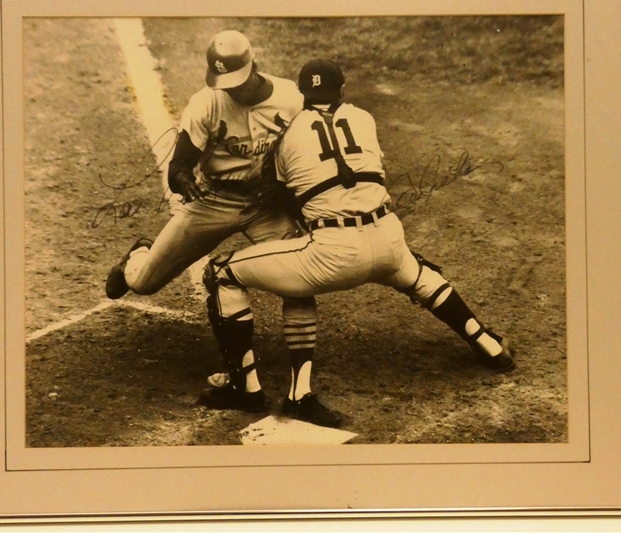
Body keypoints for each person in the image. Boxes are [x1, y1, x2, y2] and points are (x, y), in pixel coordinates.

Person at [201, 59, 514, 429]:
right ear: (342, 90)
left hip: (332, 256)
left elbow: (285, 196)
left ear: (302, 94)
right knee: (419, 273)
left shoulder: (289, 134)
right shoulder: (364, 119)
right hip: (388, 240)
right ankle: (488, 343)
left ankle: (251, 388)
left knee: (221, 272)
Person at [105, 30, 321, 420]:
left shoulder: (291, 99)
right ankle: (138, 254)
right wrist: (185, 181)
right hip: (214, 201)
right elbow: (178, 168)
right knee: (143, 284)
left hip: (266, 206)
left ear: (253, 66)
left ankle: (301, 384)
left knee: (299, 281)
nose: (232, 92)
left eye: (237, 82)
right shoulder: (206, 104)